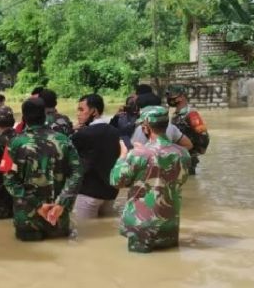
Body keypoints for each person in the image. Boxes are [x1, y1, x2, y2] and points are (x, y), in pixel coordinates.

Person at [110, 106, 191, 253]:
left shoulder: (138, 154)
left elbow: (116, 181)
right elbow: (180, 179)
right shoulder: (183, 153)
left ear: (146, 127)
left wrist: (123, 156)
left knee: (138, 270)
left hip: (141, 225)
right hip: (170, 223)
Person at [4, 98, 83, 241]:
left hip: (27, 218)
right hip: (57, 216)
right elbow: (77, 173)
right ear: (45, 115)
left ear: (24, 117)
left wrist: (38, 206)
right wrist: (62, 203)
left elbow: (9, 181)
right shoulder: (64, 140)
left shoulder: (14, 144)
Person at [71, 94, 121, 219]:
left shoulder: (82, 135)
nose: (78, 114)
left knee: (85, 233)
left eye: (82, 110)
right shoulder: (114, 132)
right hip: (110, 192)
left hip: (88, 192)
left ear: (93, 111)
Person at [166, 85, 210, 175]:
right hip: (178, 156)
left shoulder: (191, 114)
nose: (170, 99)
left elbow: (204, 135)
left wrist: (199, 150)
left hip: (188, 157)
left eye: (172, 97)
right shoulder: (176, 115)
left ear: (181, 97)